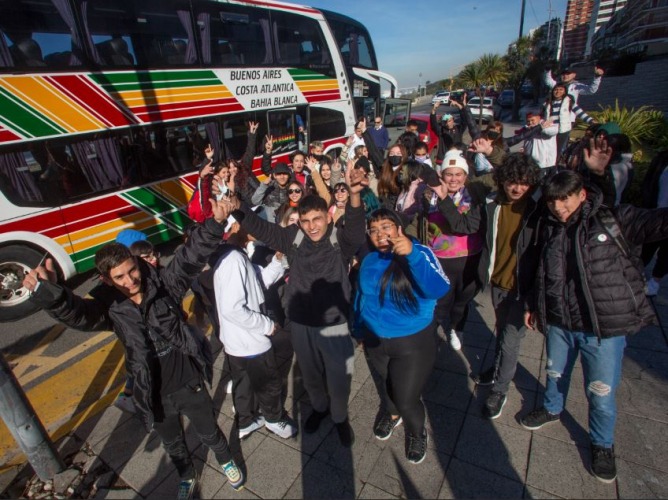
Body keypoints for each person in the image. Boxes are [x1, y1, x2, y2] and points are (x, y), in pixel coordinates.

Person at [23, 199, 245, 497]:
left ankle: (226, 460)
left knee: (209, 431)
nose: (130, 281)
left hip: (188, 381)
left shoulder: (163, 283)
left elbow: (190, 257)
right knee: (173, 443)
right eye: (120, 277)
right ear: (105, 279)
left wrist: (216, 224)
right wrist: (49, 295)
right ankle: (187, 476)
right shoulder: (109, 308)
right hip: (152, 390)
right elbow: (77, 314)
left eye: (132, 271)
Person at [520, 169, 668, 483]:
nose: (558, 208)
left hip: (602, 329)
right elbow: (540, 271)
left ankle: (602, 443)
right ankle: (552, 407)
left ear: (582, 194)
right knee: (554, 373)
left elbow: (659, 222)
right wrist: (534, 306)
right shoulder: (548, 226)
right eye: (552, 202)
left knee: (600, 393)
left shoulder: (615, 219)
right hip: (560, 322)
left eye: (565, 200)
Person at [223, 167, 369, 447]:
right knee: (310, 376)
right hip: (301, 324)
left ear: (328, 217)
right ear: (299, 222)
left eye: (317, 219)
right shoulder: (293, 239)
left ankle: (339, 417)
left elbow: (355, 226)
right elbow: (261, 228)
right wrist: (238, 206)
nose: (312, 226)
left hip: (335, 325)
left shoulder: (341, 242)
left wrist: (354, 195)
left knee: (339, 379)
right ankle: (319, 408)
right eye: (306, 221)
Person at [435, 153, 543, 418]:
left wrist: (494, 152)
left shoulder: (538, 207)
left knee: (510, 339)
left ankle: (500, 389)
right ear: (502, 181)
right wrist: (444, 198)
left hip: (523, 285)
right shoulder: (492, 203)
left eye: (524, 182)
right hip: (497, 282)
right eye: (512, 181)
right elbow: (462, 224)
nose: (517, 188)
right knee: (501, 329)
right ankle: (495, 370)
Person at [353, 208, 450, 464]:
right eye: (373, 230)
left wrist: (413, 255)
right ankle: (391, 414)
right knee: (387, 385)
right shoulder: (369, 260)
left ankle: (417, 432)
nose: (379, 234)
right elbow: (361, 297)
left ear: (399, 228)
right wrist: (358, 328)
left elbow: (439, 288)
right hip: (376, 340)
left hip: (412, 343)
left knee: (407, 399)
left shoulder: (419, 252)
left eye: (385, 227)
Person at [213, 216, 298, 440]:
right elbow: (233, 308)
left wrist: (278, 261)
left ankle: (246, 421)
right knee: (269, 383)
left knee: (244, 383)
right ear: (235, 227)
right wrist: (267, 325)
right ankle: (273, 419)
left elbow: (256, 282)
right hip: (251, 340)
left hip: (237, 342)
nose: (254, 225)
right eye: (247, 221)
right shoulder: (233, 260)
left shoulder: (233, 255)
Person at [426, 150, 487, 351]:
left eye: (458, 174)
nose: (453, 179)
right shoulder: (429, 195)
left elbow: (465, 226)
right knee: (440, 302)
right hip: (441, 258)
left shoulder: (473, 195)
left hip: (469, 257)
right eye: (448, 174)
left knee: (462, 300)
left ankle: (455, 328)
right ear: (441, 175)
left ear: (465, 176)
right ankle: (431, 336)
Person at [641, 149, 668, 296]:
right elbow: (649, 181)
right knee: (646, 246)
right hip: (655, 211)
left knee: (666, 252)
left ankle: (655, 282)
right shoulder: (662, 158)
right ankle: (635, 274)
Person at [544, 83, 595, 158]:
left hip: (563, 129)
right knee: (548, 150)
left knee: (558, 150)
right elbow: (541, 115)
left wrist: (590, 121)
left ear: (565, 91)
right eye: (556, 90)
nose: (558, 91)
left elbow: (579, 112)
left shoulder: (569, 102)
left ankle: (555, 167)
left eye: (561, 90)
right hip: (549, 129)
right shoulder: (547, 103)